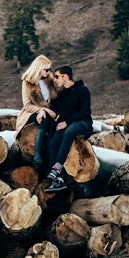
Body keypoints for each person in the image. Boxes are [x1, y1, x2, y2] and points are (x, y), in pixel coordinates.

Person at [42, 65, 94, 193]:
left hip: (83, 124)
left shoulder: (83, 90)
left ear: (65, 76)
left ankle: (56, 168)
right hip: (67, 126)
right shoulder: (62, 95)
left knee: (70, 130)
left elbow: (84, 111)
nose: (55, 80)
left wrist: (66, 122)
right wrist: (42, 111)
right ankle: (57, 180)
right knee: (53, 142)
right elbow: (55, 112)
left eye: (57, 77)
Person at [15, 55, 58, 171]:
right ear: (39, 68)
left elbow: (56, 98)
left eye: (50, 69)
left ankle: (49, 160)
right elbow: (27, 105)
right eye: (46, 70)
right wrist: (42, 110)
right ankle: (38, 155)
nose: (49, 72)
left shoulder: (49, 80)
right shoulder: (27, 81)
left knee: (50, 123)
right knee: (45, 119)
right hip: (30, 113)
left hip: (48, 113)